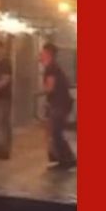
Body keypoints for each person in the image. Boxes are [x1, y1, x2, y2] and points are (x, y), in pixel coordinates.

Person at [40, 42, 77, 170]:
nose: (40, 55)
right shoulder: (54, 67)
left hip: (59, 104)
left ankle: (68, 159)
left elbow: (50, 87)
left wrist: (42, 92)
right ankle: (61, 159)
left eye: (43, 52)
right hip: (60, 103)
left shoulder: (51, 68)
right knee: (55, 132)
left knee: (56, 132)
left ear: (48, 53)